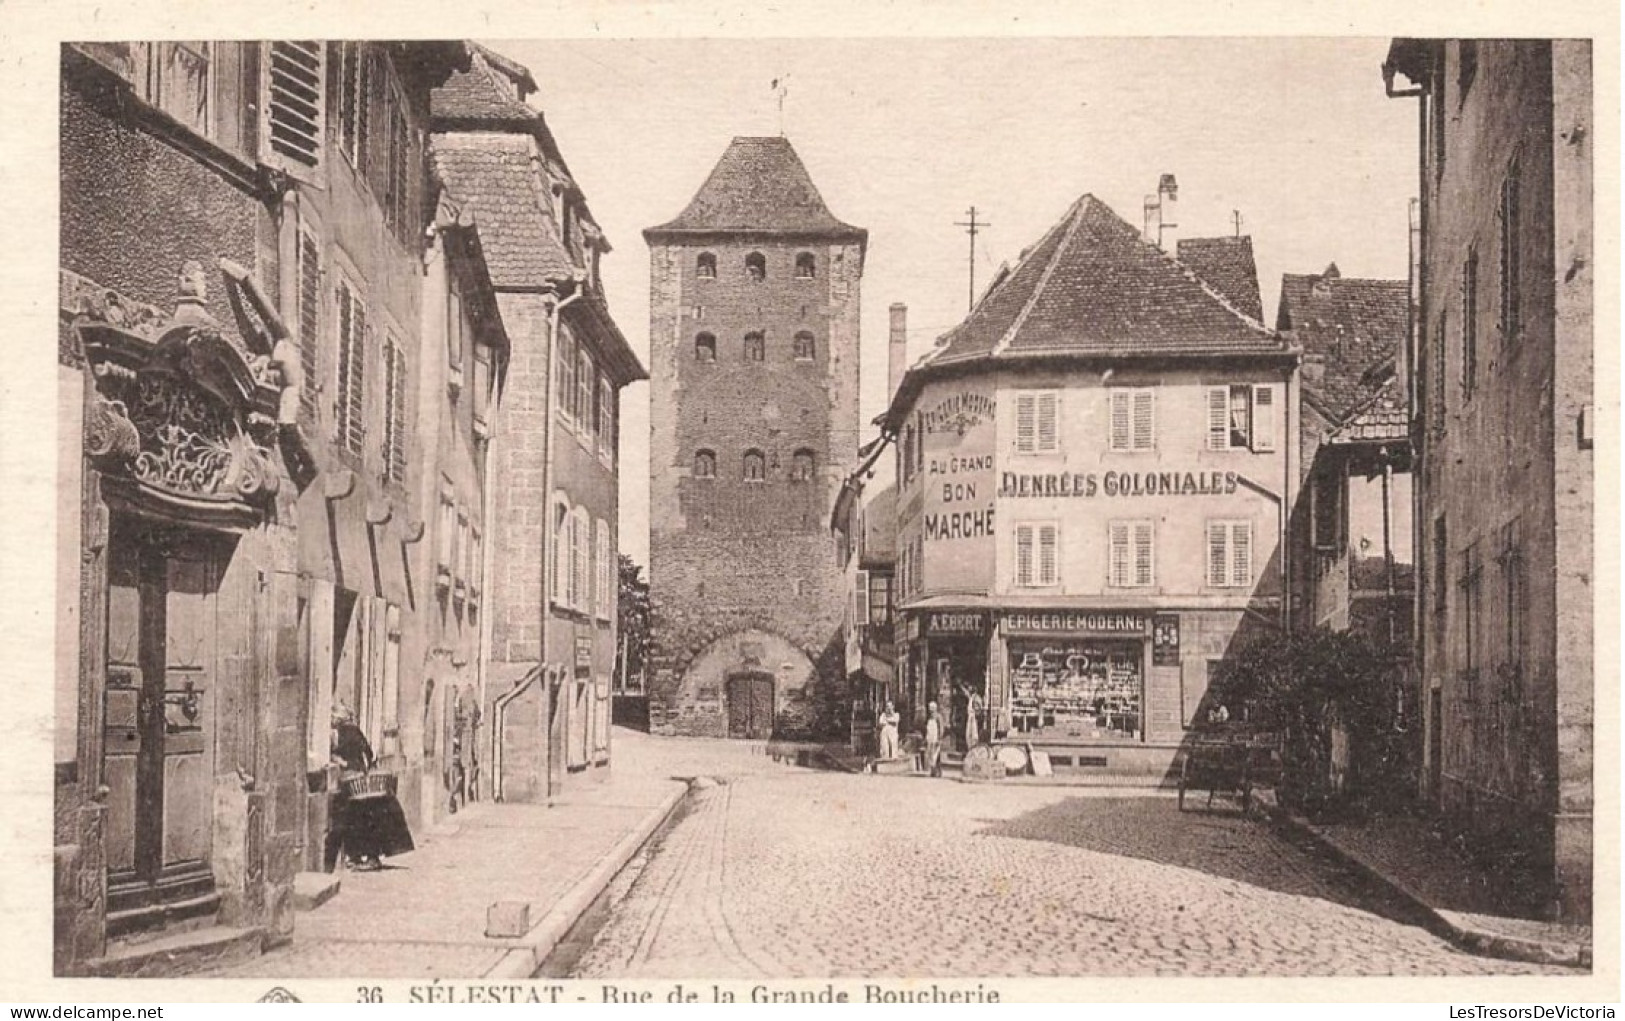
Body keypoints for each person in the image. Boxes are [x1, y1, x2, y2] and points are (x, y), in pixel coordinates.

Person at [331, 706, 415, 871]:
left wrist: (341, 761)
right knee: (363, 820)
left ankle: (360, 856)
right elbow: (369, 753)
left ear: (341, 718)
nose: (332, 719)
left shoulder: (346, 732)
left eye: (334, 716)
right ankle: (361, 856)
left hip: (353, 782)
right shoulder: (355, 731)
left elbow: (348, 757)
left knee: (354, 820)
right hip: (363, 783)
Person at [959, 682, 984, 750]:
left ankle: (973, 748)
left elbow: (979, 708)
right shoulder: (972, 697)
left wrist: (975, 714)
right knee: (968, 734)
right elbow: (966, 693)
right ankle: (970, 748)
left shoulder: (977, 697)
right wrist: (961, 686)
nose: (969, 688)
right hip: (971, 716)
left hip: (974, 717)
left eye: (970, 687)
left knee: (974, 735)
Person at [923, 701, 942, 777]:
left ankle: (938, 771)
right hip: (929, 737)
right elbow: (926, 728)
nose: (931, 710)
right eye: (930, 708)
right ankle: (932, 771)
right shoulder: (928, 717)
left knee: (936, 755)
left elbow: (941, 728)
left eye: (933, 708)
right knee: (930, 755)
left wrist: (939, 738)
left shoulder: (938, 717)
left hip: (936, 737)